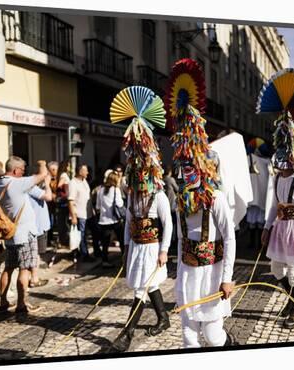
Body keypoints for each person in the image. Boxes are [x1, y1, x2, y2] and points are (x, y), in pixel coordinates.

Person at [109, 86, 173, 352]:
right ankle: (163, 317)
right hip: (136, 246)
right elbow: (127, 222)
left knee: (140, 290)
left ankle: (127, 334)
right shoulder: (133, 196)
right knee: (148, 284)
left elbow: (168, 223)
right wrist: (125, 246)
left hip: (151, 248)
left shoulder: (158, 195)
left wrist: (164, 251)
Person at [171, 103, 236, 348]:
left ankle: (229, 344)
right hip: (188, 275)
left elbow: (229, 238)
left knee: (212, 337)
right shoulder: (181, 201)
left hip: (212, 274)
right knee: (188, 337)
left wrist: (227, 278)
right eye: (182, 167)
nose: (185, 173)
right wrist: (178, 278)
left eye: (190, 167)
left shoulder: (216, 199)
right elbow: (181, 240)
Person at [260, 113, 294, 330]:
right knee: (276, 269)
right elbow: (274, 206)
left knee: (293, 272)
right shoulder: (277, 178)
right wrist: (266, 227)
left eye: (283, 163)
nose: (280, 168)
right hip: (280, 229)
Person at [0, 156, 50, 314]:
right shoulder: (16, 183)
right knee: (24, 269)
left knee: (9, 268)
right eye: (22, 170)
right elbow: (42, 174)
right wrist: (42, 162)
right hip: (25, 234)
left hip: (11, 233)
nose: (24, 173)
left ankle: (3, 301)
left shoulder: (1, 183)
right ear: (15, 170)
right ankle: (21, 303)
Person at [28, 164, 53, 287]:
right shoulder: (31, 188)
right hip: (36, 227)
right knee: (34, 254)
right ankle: (33, 278)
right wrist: (47, 184)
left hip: (40, 225)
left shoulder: (34, 187)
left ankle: (32, 276)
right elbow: (49, 197)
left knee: (36, 254)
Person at [96, 171, 124, 267]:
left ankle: (105, 261)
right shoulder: (116, 190)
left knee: (105, 242)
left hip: (103, 220)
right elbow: (119, 204)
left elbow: (98, 206)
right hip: (114, 219)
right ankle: (124, 259)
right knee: (121, 240)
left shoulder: (100, 190)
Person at [68, 164, 95, 263]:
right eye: (86, 171)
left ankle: (95, 251)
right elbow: (70, 200)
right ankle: (84, 254)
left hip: (88, 213)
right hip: (79, 214)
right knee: (82, 235)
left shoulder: (84, 181)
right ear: (80, 172)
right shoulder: (73, 183)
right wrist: (73, 216)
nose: (87, 173)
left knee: (91, 233)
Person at [163, 166, 178, 256]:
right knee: (173, 223)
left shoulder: (163, 179)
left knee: (167, 223)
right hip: (172, 204)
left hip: (166, 204)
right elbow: (177, 189)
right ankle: (173, 242)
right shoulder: (170, 179)